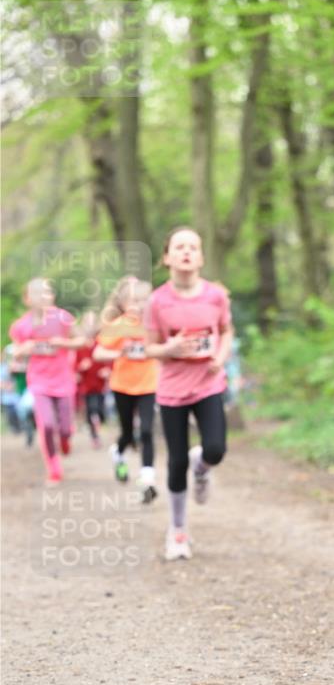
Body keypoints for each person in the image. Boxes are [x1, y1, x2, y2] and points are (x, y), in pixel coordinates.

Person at [145, 227, 233, 559]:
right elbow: (149, 347)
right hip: (172, 389)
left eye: (193, 247)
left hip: (208, 383)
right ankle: (178, 531)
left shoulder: (215, 296)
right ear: (167, 257)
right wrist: (172, 346)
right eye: (179, 247)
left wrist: (221, 357)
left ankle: (203, 467)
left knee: (215, 449)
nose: (186, 252)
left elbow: (225, 331)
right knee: (176, 460)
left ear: (201, 257)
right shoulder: (157, 301)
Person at [9, 278, 84, 483]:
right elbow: (15, 352)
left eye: (48, 292)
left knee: (66, 427)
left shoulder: (63, 318)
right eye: (38, 293)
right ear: (27, 299)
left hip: (64, 380)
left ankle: (66, 439)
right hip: (39, 381)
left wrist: (64, 342)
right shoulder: (21, 326)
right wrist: (25, 349)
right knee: (47, 425)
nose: (44, 297)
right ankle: (54, 469)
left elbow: (81, 341)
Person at [93, 277, 158, 502]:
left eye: (143, 301)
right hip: (123, 386)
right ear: (122, 304)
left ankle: (148, 479)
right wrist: (119, 352)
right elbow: (98, 354)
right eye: (133, 301)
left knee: (148, 431)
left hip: (149, 385)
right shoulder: (118, 325)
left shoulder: (155, 324)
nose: (139, 306)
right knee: (128, 433)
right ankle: (118, 453)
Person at [74, 310, 109, 449]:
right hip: (86, 385)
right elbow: (74, 365)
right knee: (91, 409)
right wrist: (80, 368)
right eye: (87, 322)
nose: (90, 326)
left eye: (93, 322)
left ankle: (99, 423)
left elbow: (109, 360)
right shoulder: (80, 345)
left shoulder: (102, 342)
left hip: (100, 384)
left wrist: (108, 370)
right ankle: (94, 436)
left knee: (100, 410)